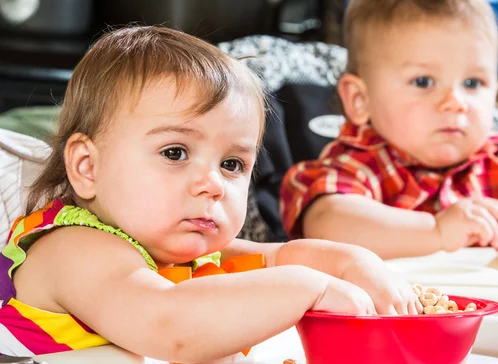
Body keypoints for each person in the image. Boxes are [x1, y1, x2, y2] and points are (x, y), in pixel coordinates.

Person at [0, 26, 420, 362]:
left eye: (232, 164)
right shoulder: (73, 249)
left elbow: (283, 256)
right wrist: (305, 287)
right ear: (87, 167)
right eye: (175, 152)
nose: (213, 184)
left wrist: (353, 261)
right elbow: (171, 327)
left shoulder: (183, 253)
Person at [280, 0, 498, 264]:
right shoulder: (359, 166)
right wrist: (436, 231)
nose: (455, 102)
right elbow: (328, 224)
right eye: (423, 82)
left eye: (472, 83)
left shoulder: (494, 167)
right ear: (360, 99)